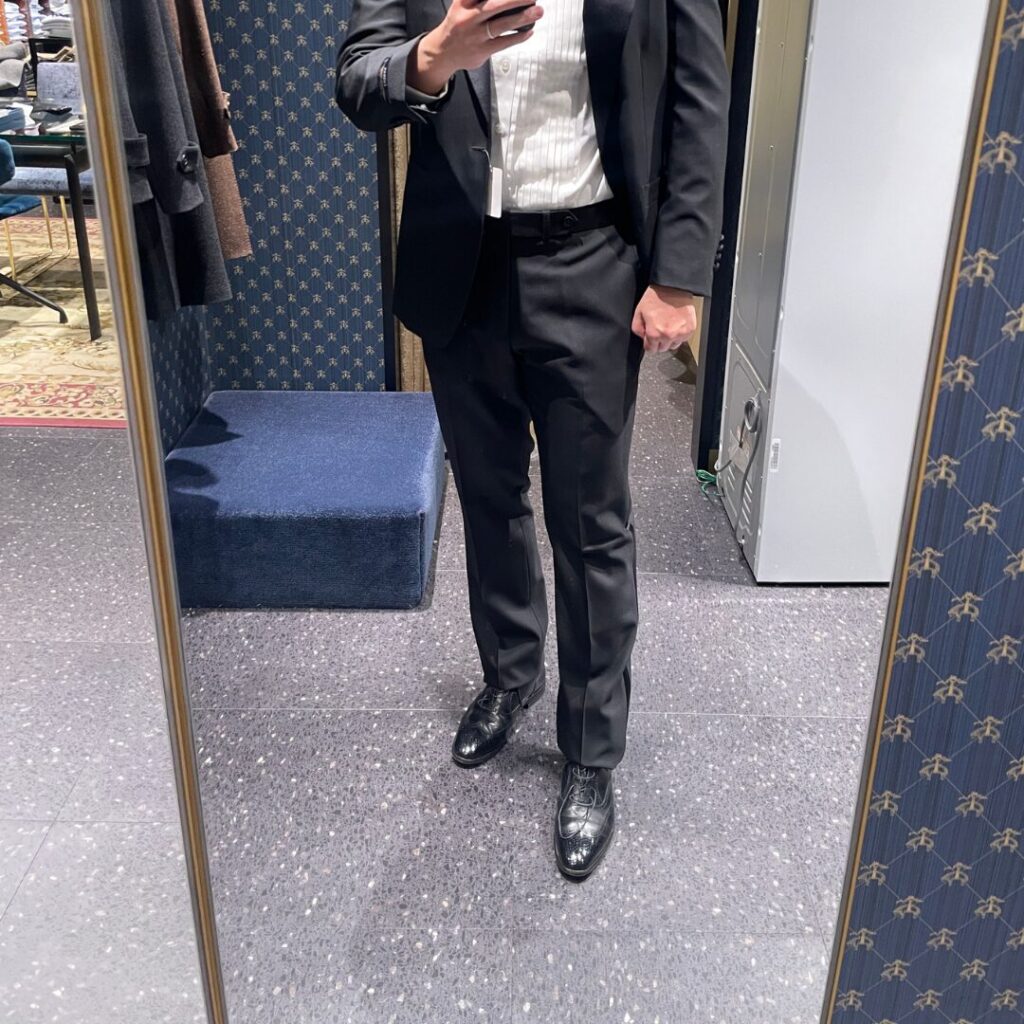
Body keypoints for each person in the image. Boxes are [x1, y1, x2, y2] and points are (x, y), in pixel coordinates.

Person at [336, 0, 728, 880]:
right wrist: (435, 55)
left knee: (591, 520)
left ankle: (590, 747)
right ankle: (512, 674)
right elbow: (359, 83)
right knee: (487, 496)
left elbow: (699, 103)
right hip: (460, 266)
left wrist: (679, 276)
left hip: (593, 262)